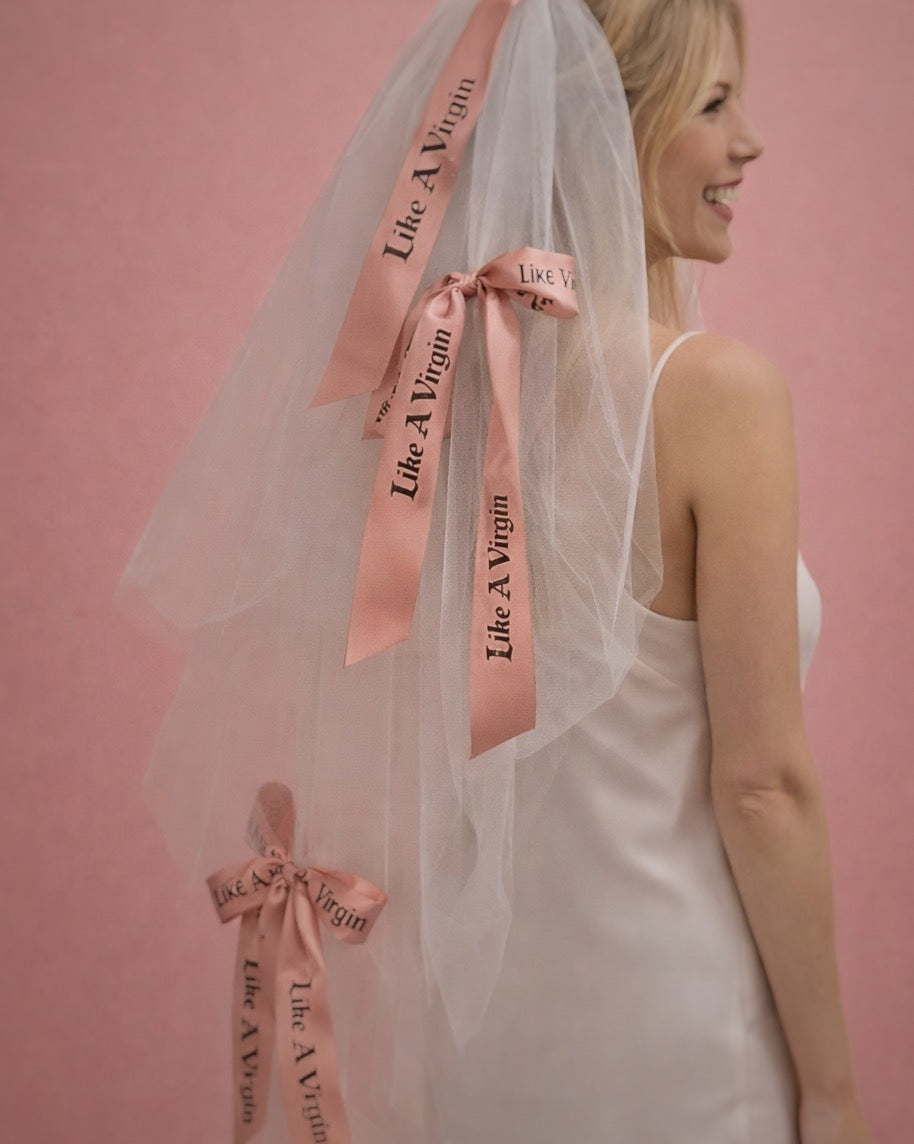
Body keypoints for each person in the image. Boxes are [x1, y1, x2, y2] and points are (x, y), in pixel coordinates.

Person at [120, 1, 871, 1141]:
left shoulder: (436, 403)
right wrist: (830, 1085)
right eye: (713, 105)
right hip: (670, 1025)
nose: (747, 143)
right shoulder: (718, 395)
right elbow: (760, 785)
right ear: (607, 130)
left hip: (482, 1027)